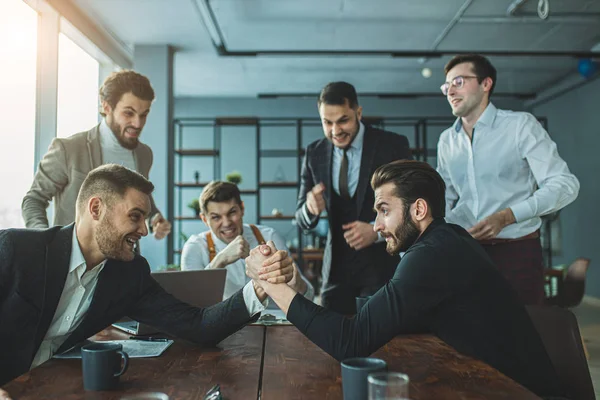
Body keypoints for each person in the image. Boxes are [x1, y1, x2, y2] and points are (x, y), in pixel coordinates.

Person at [246, 160, 568, 399]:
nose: (376, 225)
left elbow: (350, 342)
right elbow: (394, 312)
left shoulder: (432, 254)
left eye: (383, 210)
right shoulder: (446, 239)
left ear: (418, 210)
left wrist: (272, 285)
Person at [0, 164, 293, 387]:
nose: (144, 230)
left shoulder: (129, 274)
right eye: (135, 216)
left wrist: (259, 286)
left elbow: (199, 325)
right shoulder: (16, 249)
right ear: (96, 208)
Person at [437, 54, 580, 305]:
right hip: (467, 252)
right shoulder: (447, 140)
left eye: (458, 81)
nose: (450, 90)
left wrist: (507, 216)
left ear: (486, 84)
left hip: (518, 252)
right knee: (473, 332)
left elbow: (565, 185)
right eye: (446, 85)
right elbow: (444, 198)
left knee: (523, 334)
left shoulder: (520, 126)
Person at [295, 81, 412, 314]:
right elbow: (301, 217)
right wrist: (310, 209)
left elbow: (410, 205)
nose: (335, 131)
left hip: (382, 266)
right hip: (335, 270)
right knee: (332, 343)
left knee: (387, 346)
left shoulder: (392, 145)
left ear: (358, 113)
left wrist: (376, 230)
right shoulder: (314, 153)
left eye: (343, 120)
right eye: (327, 123)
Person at [22, 70, 171, 240]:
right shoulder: (68, 149)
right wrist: (46, 241)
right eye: (128, 113)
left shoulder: (144, 154)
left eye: (144, 115)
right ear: (107, 107)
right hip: (74, 259)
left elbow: (139, 197)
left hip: (125, 258)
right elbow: (33, 200)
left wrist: (154, 219)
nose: (138, 123)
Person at [180, 181, 314, 304]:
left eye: (232, 212)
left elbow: (308, 296)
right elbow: (192, 305)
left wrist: (294, 280)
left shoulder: (268, 236)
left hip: (274, 323)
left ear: (242, 209)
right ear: (204, 219)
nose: (226, 223)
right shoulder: (195, 247)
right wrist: (220, 260)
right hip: (224, 327)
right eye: (216, 217)